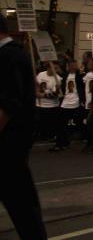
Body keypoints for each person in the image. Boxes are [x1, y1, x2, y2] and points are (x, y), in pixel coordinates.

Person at [0, 14, 48, 239]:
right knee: (23, 202)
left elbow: (9, 104)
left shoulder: (9, 56)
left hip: (9, 144)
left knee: (22, 204)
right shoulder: (16, 55)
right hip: (14, 143)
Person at [52, 58, 85, 151]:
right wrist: (58, 88)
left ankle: (86, 140)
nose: (73, 67)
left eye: (75, 65)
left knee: (80, 123)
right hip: (65, 103)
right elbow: (60, 89)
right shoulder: (64, 76)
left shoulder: (80, 76)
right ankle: (60, 143)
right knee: (60, 123)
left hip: (76, 102)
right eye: (71, 65)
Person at [35, 61, 62, 142]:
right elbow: (36, 88)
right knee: (39, 124)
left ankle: (50, 137)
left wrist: (41, 95)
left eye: (57, 68)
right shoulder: (40, 75)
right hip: (39, 105)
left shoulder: (58, 79)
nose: (56, 70)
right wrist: (37, 93)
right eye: (55, 68)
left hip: (52, 106)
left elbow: (54, 95)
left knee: (50, 125)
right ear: (48, 67)